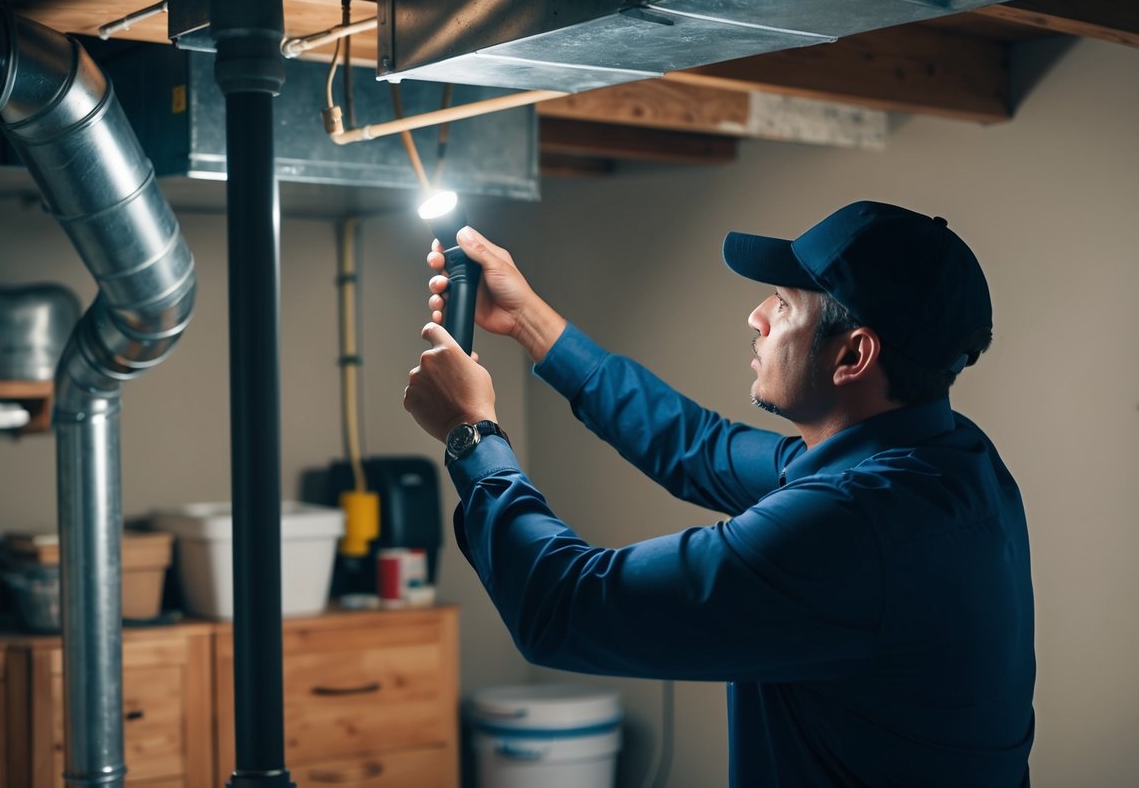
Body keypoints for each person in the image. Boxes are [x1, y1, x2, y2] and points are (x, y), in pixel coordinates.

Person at [403, 200, 1035, 787]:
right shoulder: (950, 461)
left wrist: (470, 433)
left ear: (852, 355)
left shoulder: (854, 525)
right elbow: (697, 447)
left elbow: (564, 606)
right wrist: (528, 322)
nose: (756, 316)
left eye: (786, 305)